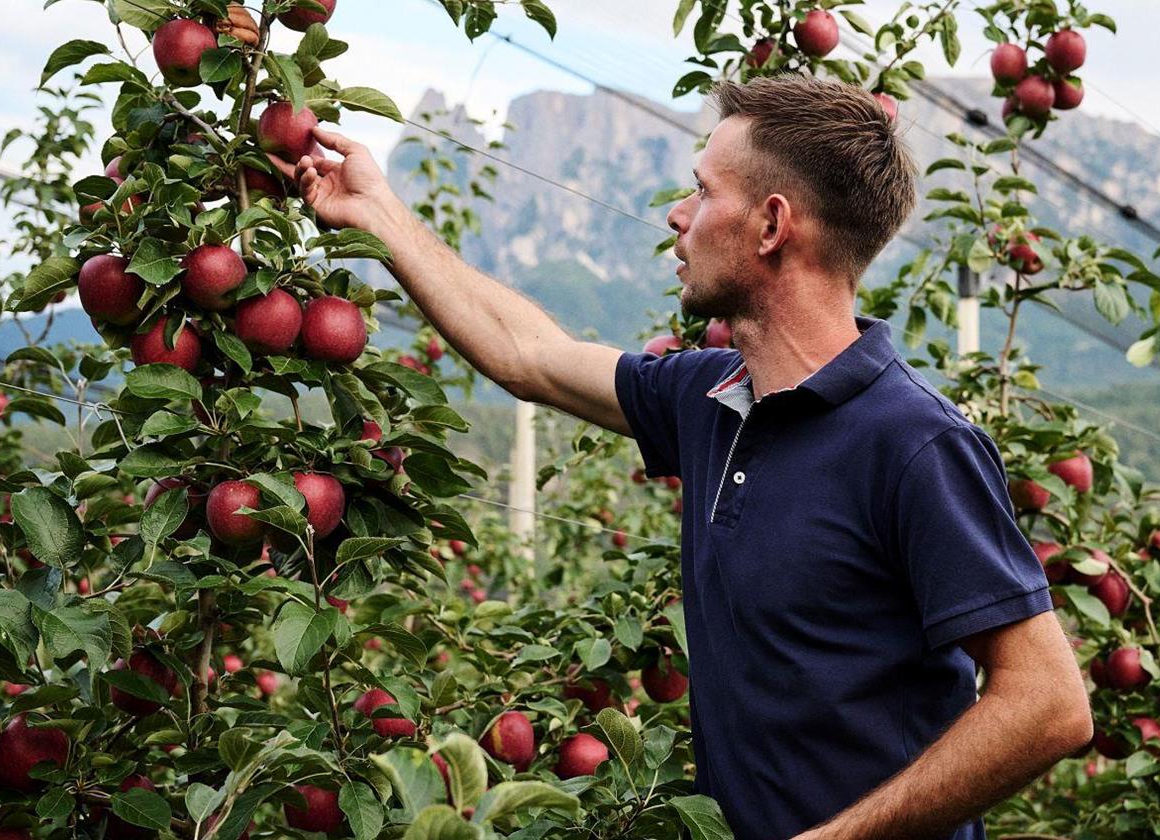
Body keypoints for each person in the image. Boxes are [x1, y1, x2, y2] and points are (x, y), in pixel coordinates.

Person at [276, 74, 1092, 840]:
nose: (675, 214)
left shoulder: (913, 444)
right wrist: (377, 210)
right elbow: (528, 354)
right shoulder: (709, 398)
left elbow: (1049, 705)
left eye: (702, 191)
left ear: (771, 226)